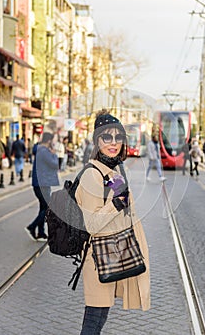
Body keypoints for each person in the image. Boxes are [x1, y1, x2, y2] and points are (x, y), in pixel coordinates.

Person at [75, 110, 150, 334]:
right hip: (98, 257)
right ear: (97, 140)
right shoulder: (92, 175)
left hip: (111, 254)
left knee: (99, 316)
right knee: (94, 319)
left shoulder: (112, 169)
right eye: (107, 137)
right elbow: (92, 224)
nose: (113, 143)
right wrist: (116, 204)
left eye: (118, 137)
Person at [25, 132, 59, 241]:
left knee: (43, 207)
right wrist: (54, 154)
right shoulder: (44, 152)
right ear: (49, 141)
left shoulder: (39, 149)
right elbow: (54, 164)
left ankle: (41, 232)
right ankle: (32, 226)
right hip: (42, 183)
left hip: (40, 183)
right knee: (48, 208)